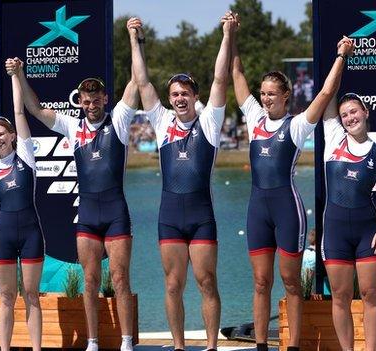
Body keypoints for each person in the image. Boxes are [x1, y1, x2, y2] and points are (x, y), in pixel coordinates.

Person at [5, 31, 141, 351]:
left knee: (120, 281)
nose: (91, 104)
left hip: (116, 214)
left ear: (105, 100)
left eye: (97, 99)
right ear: (79, 101)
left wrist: (135, 41)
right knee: (90, 282)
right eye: (86, 100)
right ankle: (92, 342)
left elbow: (137, 82)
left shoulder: (119, 120)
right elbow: (35, 109)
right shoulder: (71, 125)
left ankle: (125, 342)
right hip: (88, 216)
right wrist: (21, 74)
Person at [230, 12, 354, 351]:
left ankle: (294, 346)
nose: (267, 98)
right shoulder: (254, 118)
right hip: (258, 208)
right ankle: (259, 345)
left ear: (286, 96)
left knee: (290, 282)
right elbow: (236, 72)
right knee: (260, 281)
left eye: (273, 94)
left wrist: (341, 54)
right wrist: (232, 35)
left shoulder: (297, 126)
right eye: (263, 93)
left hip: (287, 209)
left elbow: (327, 91)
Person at [127, 13, 235, 351]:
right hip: (170, 217)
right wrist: (134, 39)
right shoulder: (160, 122)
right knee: (172, 285)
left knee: (207, 283)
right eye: (174, 93)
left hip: (202, 218)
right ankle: (178, 346)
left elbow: (220, 80)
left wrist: (226, 34)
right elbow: (143, 83)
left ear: (194, 95)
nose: (179, 98)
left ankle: (212, 347)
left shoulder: (209, 123)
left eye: (185, 93)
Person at [320, 91, 376, 350]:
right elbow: (328, 92)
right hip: (335, 233)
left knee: (370, 294)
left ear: (365, 112)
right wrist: (340, 56)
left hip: (367, 232)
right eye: (344, 115)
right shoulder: (333, 139)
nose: (350, 118)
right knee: (340, 297)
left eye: (354, 111)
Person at [0, 66, 44, 351]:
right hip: (2, 237)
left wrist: (15, 77)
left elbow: (20, 114)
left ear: (12, 136)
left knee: (31, 296)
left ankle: (36, 349)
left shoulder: (26, 157)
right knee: (6, 298)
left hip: (31, 234)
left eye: (1, 134)